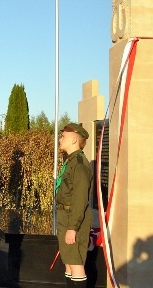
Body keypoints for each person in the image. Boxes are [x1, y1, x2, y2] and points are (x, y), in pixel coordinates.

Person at [55, 123, 93, 288]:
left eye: (63, 136)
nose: (60, 139)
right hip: (65, 216)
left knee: (76, 263)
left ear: (74, 140)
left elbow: (80, 198)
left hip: (73, 218)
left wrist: (73, 227)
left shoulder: (78, 163)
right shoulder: (70, 161)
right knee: (69, 261)